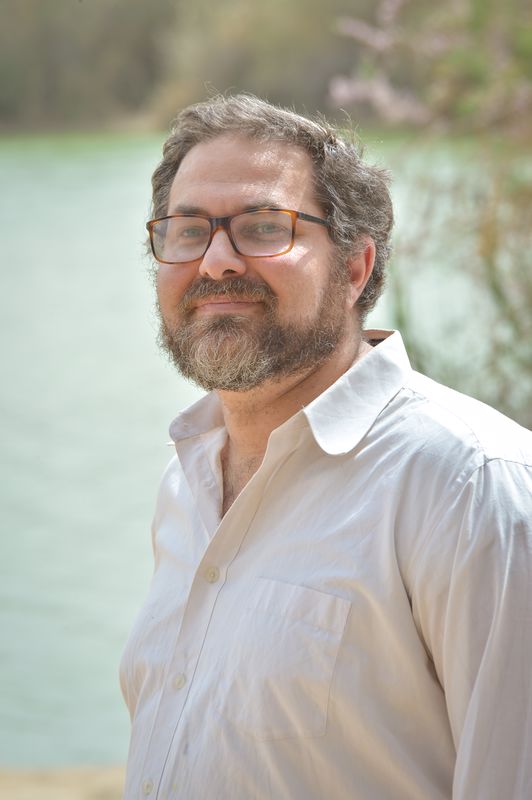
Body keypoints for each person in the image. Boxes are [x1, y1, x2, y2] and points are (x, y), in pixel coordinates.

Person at [119, 94, 532, 800]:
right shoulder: (186, 481)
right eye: (187, 232)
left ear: (354, 268)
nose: (216, 262)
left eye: (262, 227)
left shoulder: (472, 487)